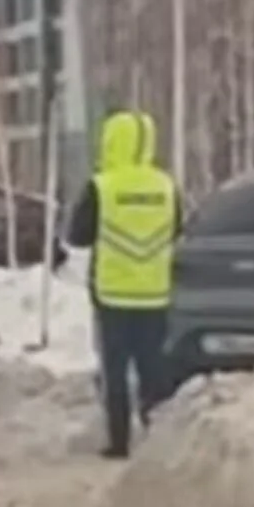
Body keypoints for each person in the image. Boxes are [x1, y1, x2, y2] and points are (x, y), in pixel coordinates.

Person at [67, 110, 181, 459]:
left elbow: (77, 236)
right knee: (154, 368)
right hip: (155, 293)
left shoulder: (102, 186)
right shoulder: (166, 186)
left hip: (113, 293)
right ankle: (158, 437)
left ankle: (119, 442)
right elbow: (178, 229)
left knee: (114, 371)